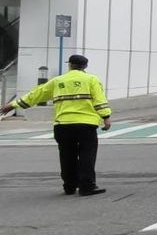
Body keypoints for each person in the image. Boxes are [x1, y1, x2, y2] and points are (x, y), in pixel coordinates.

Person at [1, 54, 112, 195]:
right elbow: (99, 100)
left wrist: (13, 105)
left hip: (62, 126)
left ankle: (69, 186)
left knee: (66, 156)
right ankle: (86, 186)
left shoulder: (57, 81)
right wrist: (106, 117)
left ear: (70, 65)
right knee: (87, 155)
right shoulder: (91, 80)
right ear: (85, 67)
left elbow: (36, 94)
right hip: (86, 125)